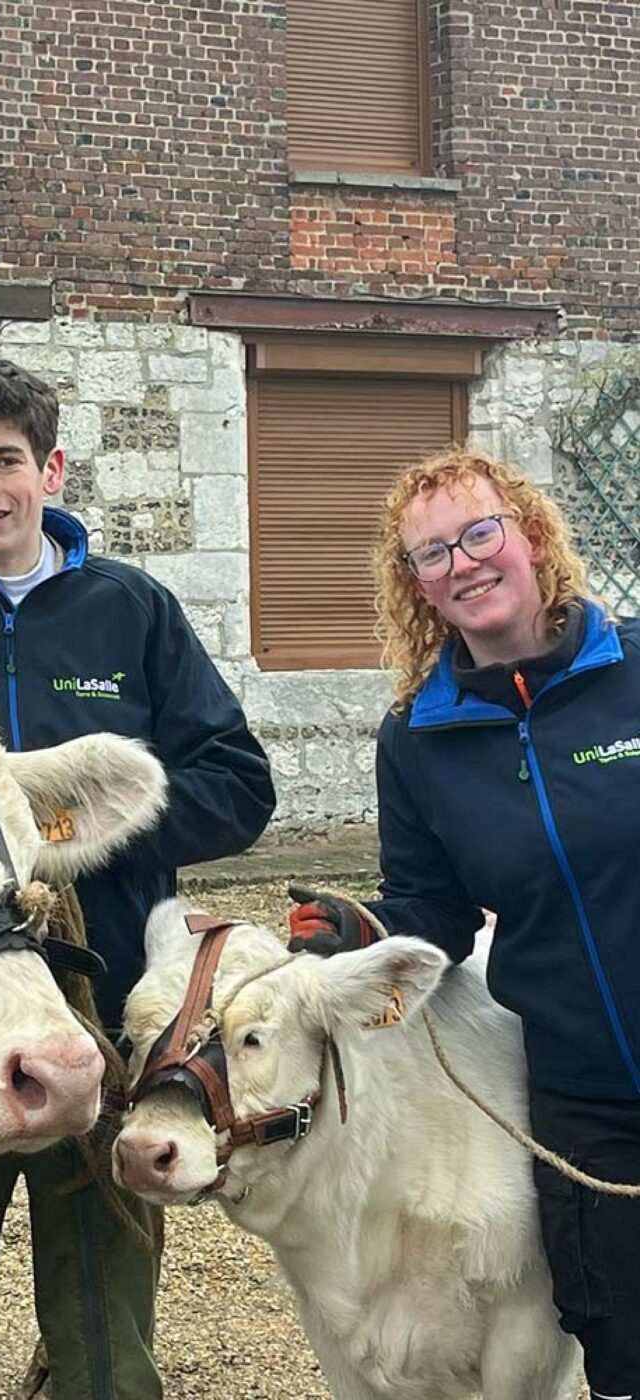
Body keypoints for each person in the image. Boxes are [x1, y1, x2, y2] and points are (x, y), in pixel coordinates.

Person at [0, 358, 275, 1400]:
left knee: (104, 1315)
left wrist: (77, 826)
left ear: (51, 468)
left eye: (5, 460)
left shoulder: (132, 608)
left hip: (100, 998)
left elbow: (239, 784)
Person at [288, 445, 640, 1400]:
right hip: (579, 1093)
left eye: (479, 532)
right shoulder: (418, 740)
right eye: (432, 554)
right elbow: (434, 913)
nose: (463, 562)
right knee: (618, 1334)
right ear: (417, 588)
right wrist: (361, 933)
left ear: (528, 534)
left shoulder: (634, 669)